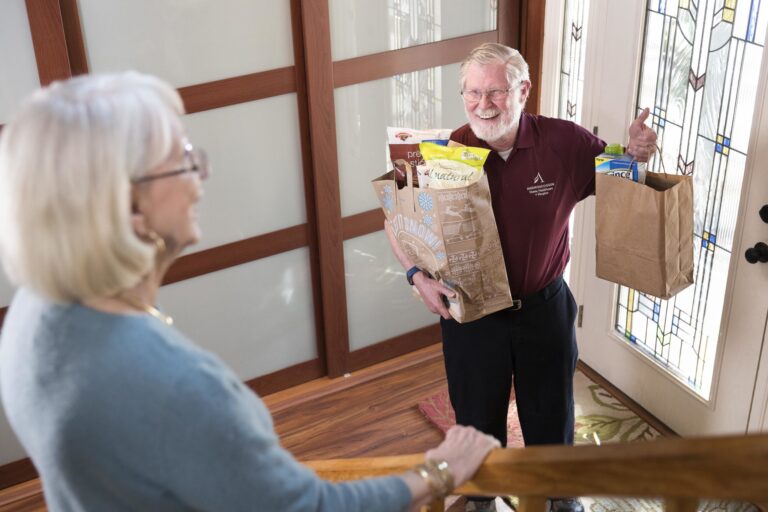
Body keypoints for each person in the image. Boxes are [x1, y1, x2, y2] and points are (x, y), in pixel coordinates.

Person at [0, 72, 500, 512]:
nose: (202, 178)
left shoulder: (34, 313)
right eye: (183, 161)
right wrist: (439, 471)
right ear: (130, 207)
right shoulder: (179, 387)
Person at [385, 43, 657, 512]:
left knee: (552, 418)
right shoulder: (441, 153)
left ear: (523, 90)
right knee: (475, 421)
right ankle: (481, 501)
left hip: (543, 308)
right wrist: (416, 277)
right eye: (472, 93)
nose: (483, 105)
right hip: (470, 314)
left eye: (495, 91)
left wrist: (634, 153)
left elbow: (618, 179)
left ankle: (560, 498)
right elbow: (395, 219)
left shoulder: (565, 142)